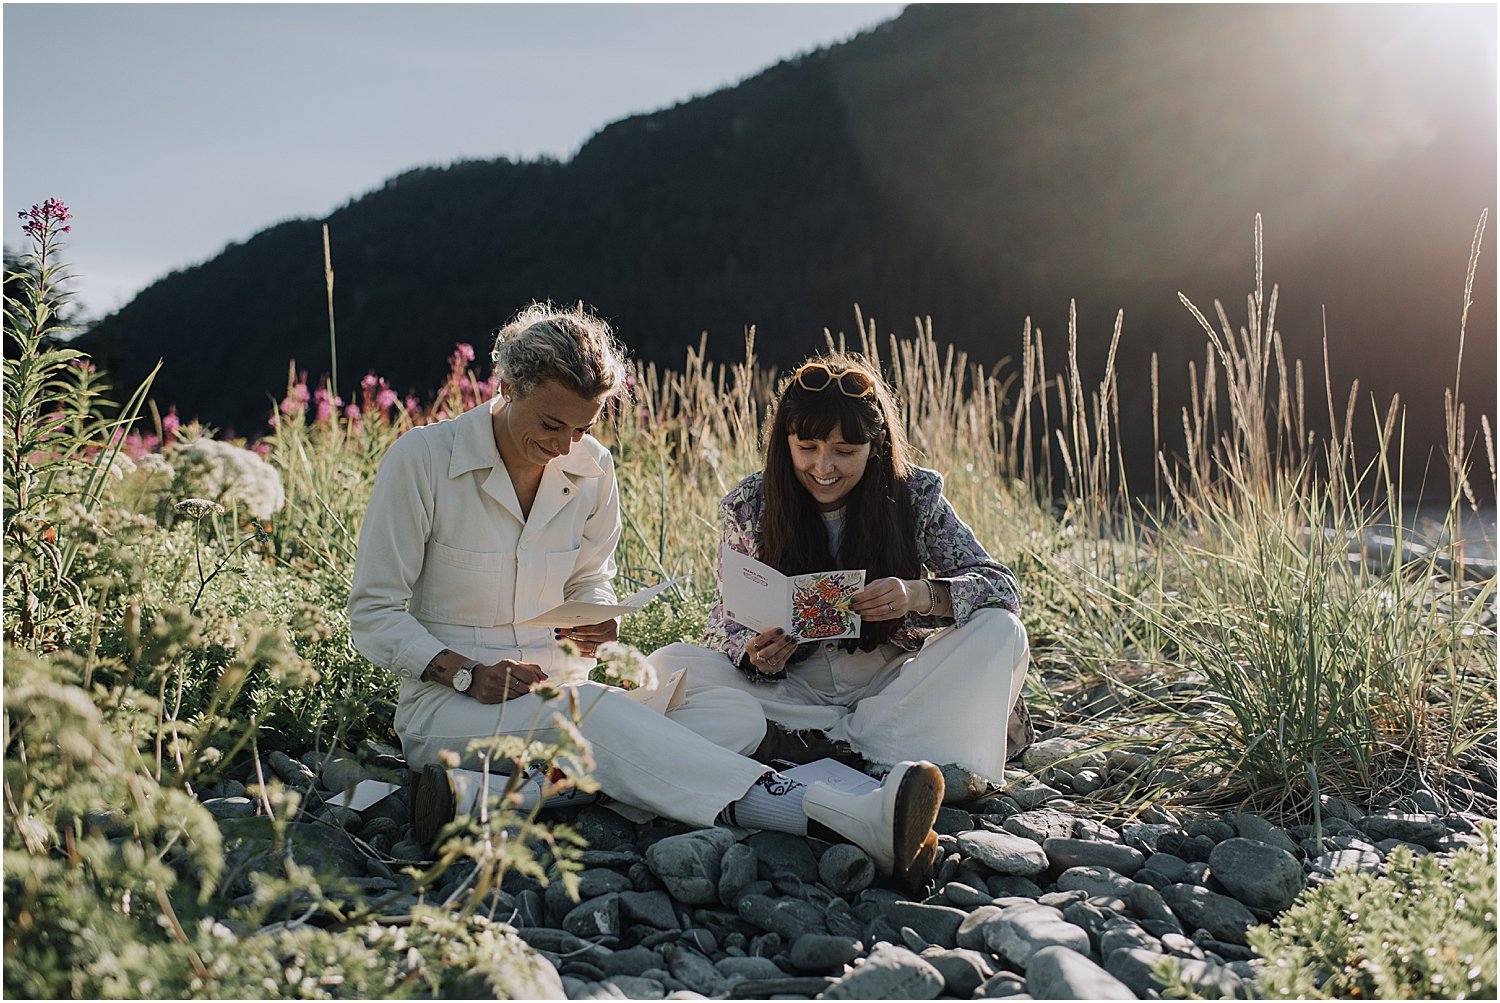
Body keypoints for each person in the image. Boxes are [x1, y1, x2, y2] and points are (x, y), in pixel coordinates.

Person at [348, 305, 945, 892]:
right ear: (505, 386)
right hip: (447, 710)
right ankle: (839, 816)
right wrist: (463, 675)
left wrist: (596, 625)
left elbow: (589, 584)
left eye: (583, 427)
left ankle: (497, 794)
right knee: (592, 719)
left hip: (566, 694)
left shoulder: (593, 468)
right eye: (551, 424)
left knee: (733, 715)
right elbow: (372, 615)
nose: (565, 445)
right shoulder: (423, 460)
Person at [649, 352, 1031, 785]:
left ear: (876, 446)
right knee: (670, 664)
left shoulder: (915, 495)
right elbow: (723, 624)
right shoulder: (750, 504)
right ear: (784, 443)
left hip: (893, 682)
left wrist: (917, 594)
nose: (823, 467)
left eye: (844, 451)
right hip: (792, 691)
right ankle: (883, 753)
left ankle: (828, 747)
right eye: (806, 448)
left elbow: (1001, 587)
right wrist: (754, 655)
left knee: (1002, 630)